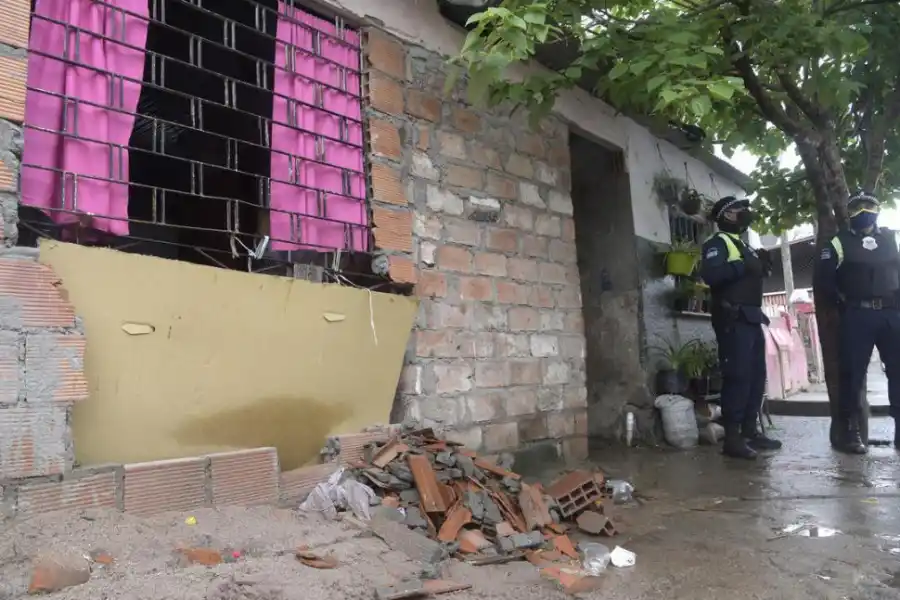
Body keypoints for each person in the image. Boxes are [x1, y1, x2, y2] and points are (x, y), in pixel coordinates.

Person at [814, 192, 900, 455]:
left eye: (870, 206)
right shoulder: (838, 243)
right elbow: (824, 282)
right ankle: (849, 432)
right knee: (852, 374)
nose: (864, 211)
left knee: (898, 372)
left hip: (891, 315)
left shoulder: (889, 239)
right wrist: (843, 307)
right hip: (857, 314)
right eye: (857, 207)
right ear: (849, 212)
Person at [699, 196, 782, 459]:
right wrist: (741, 265)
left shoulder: (744, 245)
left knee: (756, 377)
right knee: (738, 377)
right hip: (732, 319)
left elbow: (749, 279)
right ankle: (732, 439)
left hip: (752, 318)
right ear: (725, 216)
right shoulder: (717, 243)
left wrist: (761, 265)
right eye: (739, 210)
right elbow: (712, 276)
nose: (745, 213)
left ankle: (750, 431)